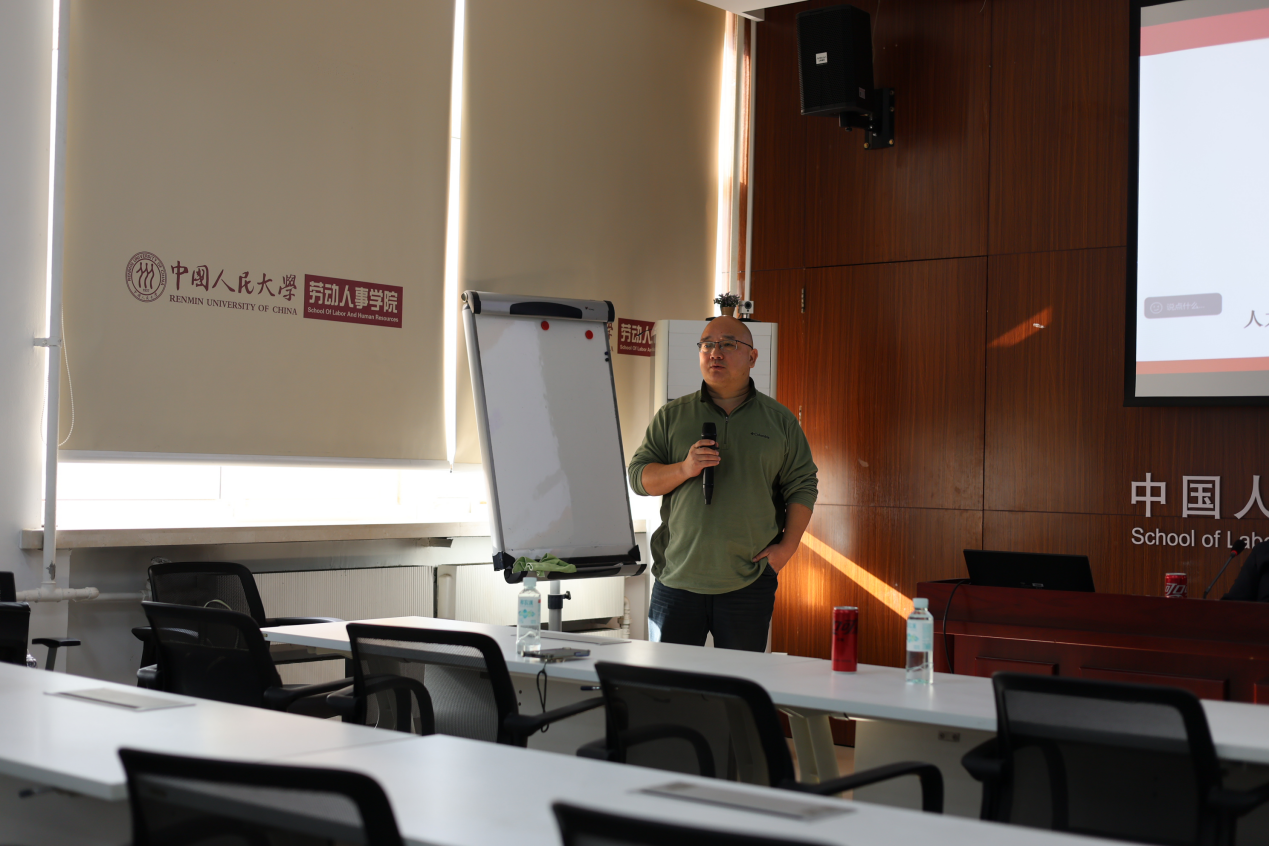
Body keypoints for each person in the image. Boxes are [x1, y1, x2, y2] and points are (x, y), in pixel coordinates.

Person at [627, 316, 818, 651]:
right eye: (707, 345)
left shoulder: (780, 421)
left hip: (748, 581)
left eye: (728, 344)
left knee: (738, 682)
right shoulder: (673, 415)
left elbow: (802, 485)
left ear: (752, 357)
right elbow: (639, 478)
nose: (715, 353)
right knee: (669, 682)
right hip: (677, 580)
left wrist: (787, 548)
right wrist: (684, 468)